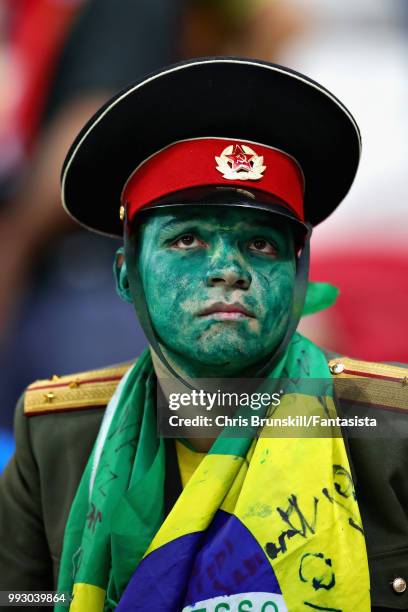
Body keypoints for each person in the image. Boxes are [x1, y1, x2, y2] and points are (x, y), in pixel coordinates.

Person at [0, 58, 407, 612]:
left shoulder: (392, 432)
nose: (228, 269)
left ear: (299, 277)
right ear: (126, 274)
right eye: (188, 239)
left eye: (261, 244)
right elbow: (21, 599)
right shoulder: (56, 437)